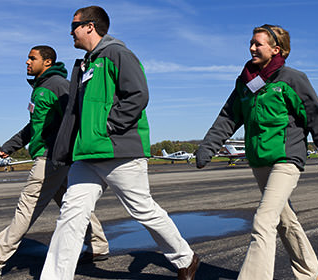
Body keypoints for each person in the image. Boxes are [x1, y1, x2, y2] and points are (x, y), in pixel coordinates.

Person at [40, 6, 199, 280]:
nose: (70, 31)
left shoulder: (118, 54)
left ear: (90, 26)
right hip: (87, 155)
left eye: (74, 25)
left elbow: (138, 95)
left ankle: (185, 257)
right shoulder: (84, 65)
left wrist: (108, 127)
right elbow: (76, 114)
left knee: (143, 210)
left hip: (118, 150)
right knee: (71, 216)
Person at [195, 24, 318, 280]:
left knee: (263, 221)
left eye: (257, 44)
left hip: (286, 159)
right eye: (251, 43)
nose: (251, 48)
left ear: (276, 49)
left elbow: (316, 118)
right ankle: (309, 274)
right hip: (260, 161)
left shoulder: (292, 79)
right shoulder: (247, 82)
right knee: (285, 221)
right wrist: (208, 147)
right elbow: (228, 117)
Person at [0, 46, 110, 279]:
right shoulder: (41, 88)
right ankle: (98, 245)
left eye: (33, 58)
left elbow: (76, 117)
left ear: (48, 62)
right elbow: (34, 127)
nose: (27, 62)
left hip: (51, 158)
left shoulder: (58, 86)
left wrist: (67, 149)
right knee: (70, 204)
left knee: (27, 207)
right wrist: (9, 147)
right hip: (54, 157)